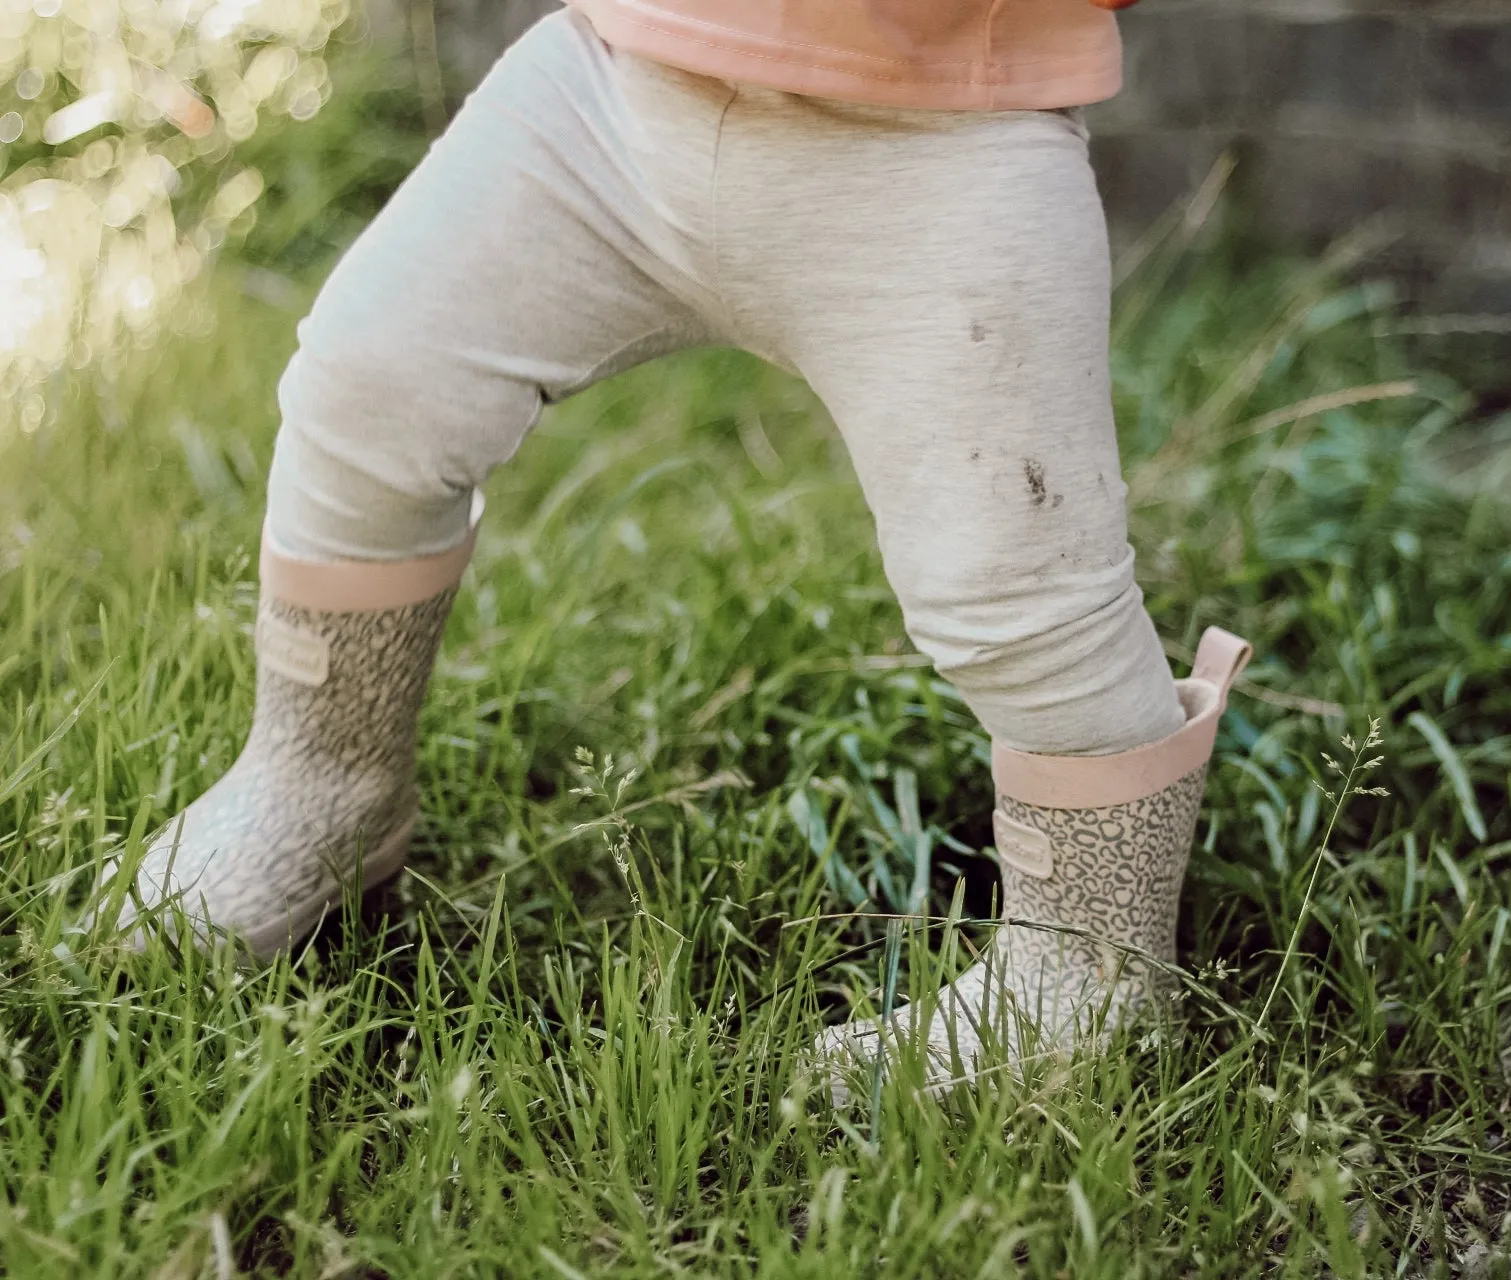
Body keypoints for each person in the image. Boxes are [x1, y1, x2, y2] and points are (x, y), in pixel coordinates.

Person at [113, 0, 1252, 1089]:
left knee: (1015, 585)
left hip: (945, 138)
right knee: (373, 383)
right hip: (612, 92)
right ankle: (321, 774)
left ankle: (1092, 964)